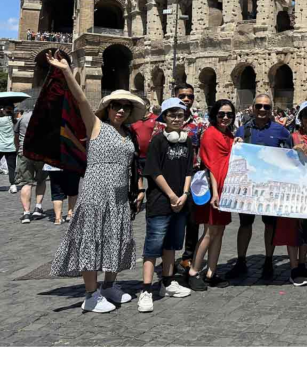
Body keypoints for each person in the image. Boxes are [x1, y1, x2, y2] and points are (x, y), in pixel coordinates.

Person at [47, 52, 145, 313]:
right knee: (90, 240)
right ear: (108, 108)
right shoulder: (96, 125)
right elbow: (80, 99)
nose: (121, 110)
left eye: (125, 106)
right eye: (116, 105)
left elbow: (135, 166)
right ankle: (90, 294)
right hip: (95, 192)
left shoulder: (128, 134)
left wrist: (139, 188)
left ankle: (109, 285)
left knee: (116, 238)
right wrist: (67, 70)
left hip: (119, 195)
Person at [228, 93, 291, 281]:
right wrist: (235, 145)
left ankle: (269, 260)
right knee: (245, 224)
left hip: (271, 187)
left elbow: (290, 157)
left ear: (271, 110)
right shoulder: (243, 130)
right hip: (247, 187)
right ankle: (241, 261)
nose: (262, 110)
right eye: (259, 106)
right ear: (253, 108)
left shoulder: (281, 131)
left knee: (270, 224)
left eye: (266, 107)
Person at [138, 98, 194, 312]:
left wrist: (185, 194)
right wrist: (172, 195)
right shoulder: (158, 141)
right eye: (172, 115)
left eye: (180, 115)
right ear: (164, 118)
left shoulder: (187, 141)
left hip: (180, 201)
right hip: (161, 202)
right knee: (153, 247)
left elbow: (189, 169)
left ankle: (168, 283)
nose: (176, 119)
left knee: (171, 244)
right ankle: (146, 290)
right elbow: (153, 171)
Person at [153, 84, 207, 277]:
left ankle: (188, 256)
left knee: (193, 220)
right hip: (167, 177)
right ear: (176, 96)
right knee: (167, 218)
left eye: (189, 96)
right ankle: (166, 258)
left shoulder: (200, 123)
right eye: (182, 95)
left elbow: (205, 148)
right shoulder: (161, 123)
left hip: (191, 177)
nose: (186, 99)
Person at [187, 99, 236, 291]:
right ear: (214, 114)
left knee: (220, 231)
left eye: (229, 114)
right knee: (209, 232)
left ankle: (211, 272)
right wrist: (216, 193)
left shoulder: (229, 135)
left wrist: (237, 143)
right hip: (214, 191)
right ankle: (193, 271)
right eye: (221, 114)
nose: (225, 117)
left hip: (227, 189)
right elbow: (211, 166)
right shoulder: (210, 134)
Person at [277, 100, 307, 286]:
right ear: (301, 118)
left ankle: (303, 263)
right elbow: (281, 159)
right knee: (292, 229)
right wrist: (293, 150)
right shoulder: (292, 137)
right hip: (294, 190)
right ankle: (293, 267)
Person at [14, 109, 48, 223]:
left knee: (26, 183)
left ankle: (26, 213)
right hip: (41, 153)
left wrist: (18, 148)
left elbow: (16, 136)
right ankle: (38, 207)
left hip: (25, 152)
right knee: (41, 180)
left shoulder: (23, 118)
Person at [0, 103, 18, 195]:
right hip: (11, 147)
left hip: (0, 146)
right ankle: (13, 185)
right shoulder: (15, 121)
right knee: (12, 167)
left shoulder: (0, 120)